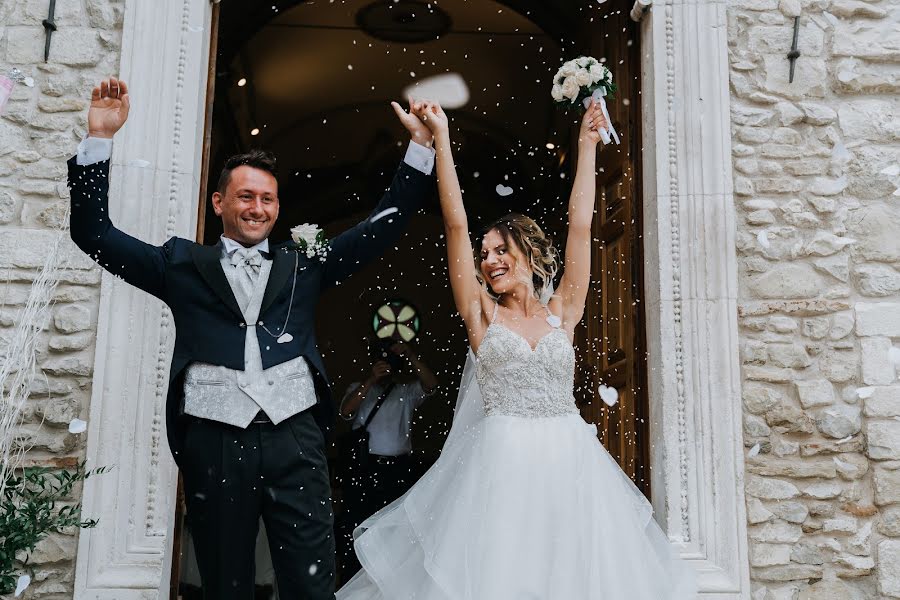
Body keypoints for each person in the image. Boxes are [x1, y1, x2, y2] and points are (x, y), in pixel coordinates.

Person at [67, 77, 436, 599]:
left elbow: (380, 228)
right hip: (214, 444)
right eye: (245, 196)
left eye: (266, 199)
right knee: (226, 586)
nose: (257, 207)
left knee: (311, 585)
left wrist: (420, 148)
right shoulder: (181, 265)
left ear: (278, 209)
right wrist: (100, 137)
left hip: (296, 439)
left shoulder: (302, 263)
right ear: (219, 203)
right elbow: (94, 234)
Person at [337, 100, 697, 599]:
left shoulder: (563, 311)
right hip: (499, 468)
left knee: (570, 573)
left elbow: (581, 226)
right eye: (484, 255)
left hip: (570, 464)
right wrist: (441, 137)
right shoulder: (481, 315)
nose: (488, 261)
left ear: (528, 253)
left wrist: (587, 147)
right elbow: (456, 224)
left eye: (500, 250)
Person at [337, 339, 437, 577]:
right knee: (359, 526)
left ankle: (390, 579)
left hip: (398, 471)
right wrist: (371, 379)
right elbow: (345, 411)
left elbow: (432, 385)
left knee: (395, 528)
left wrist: (410, 355)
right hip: (365, 469)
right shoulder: (359, 388)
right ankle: (354, 576)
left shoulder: (407, 391)